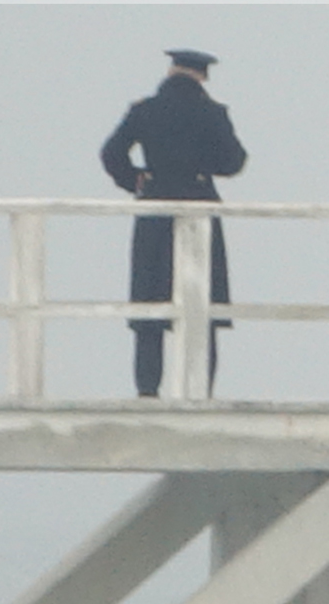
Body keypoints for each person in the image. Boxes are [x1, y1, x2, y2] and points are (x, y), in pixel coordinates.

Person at [101, 49, 247, 398]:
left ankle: (147, 390)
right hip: (200, 208)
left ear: (170, 71)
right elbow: (234, 161)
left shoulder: (145, 110)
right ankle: (200, 392)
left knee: (149, 305)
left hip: (155, 208)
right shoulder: (212, 113)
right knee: (203, 307)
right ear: (203, 76)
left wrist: (135, 180)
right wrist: (200, 160)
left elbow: (111, 153)